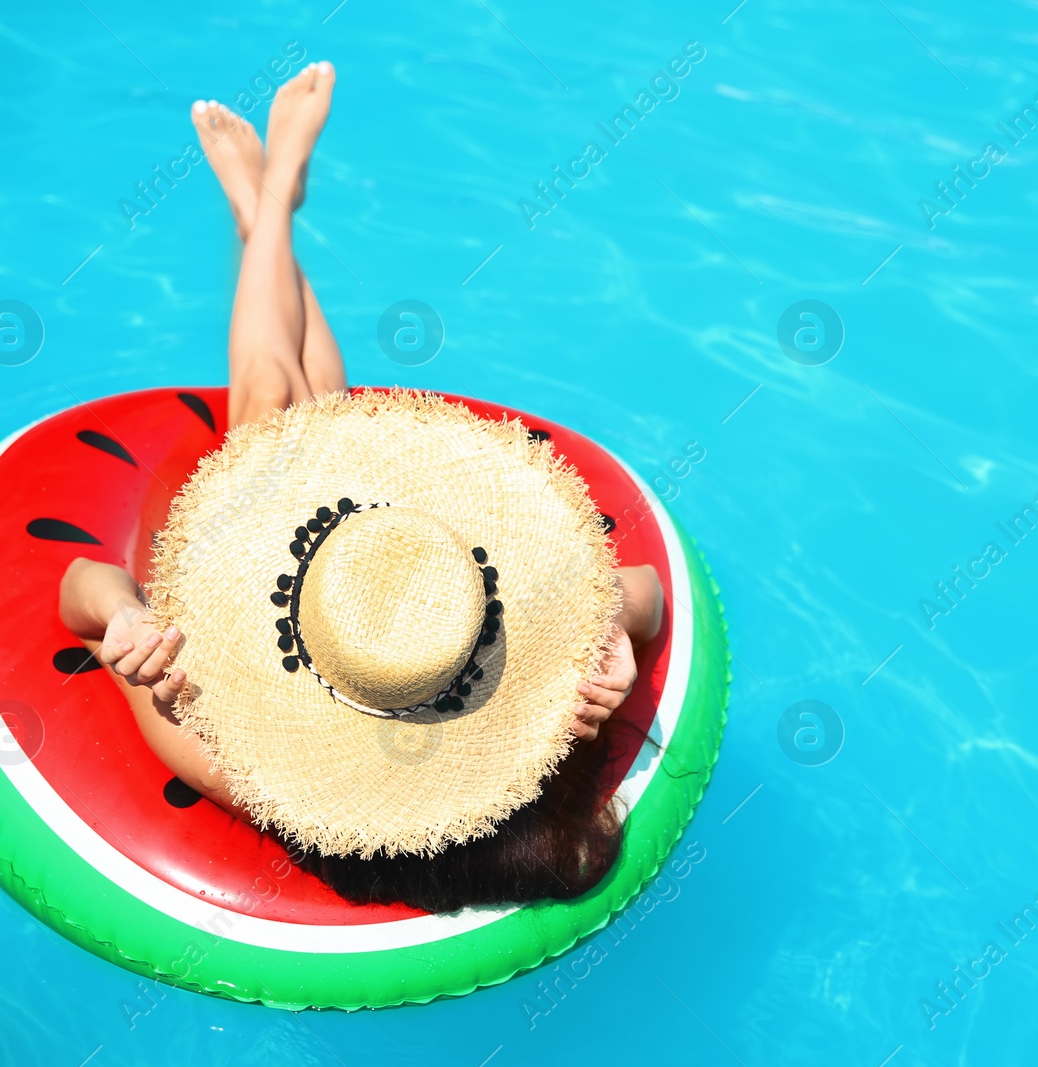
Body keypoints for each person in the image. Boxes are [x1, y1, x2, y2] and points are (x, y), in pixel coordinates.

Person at [56, 62, 664, 913]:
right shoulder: (535, 721)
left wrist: (127, 619)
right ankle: (265, 206)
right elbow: (645, 595)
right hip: (387, 560)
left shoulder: (251, 763)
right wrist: (617, 636)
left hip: (286, 587)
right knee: (315, 418)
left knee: (272, 400)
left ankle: (266, 207)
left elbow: (82, 590)